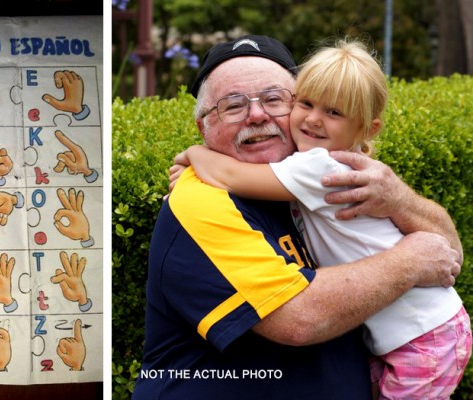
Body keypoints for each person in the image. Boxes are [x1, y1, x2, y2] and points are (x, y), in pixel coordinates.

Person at [132, 35, 462, 399]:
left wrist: (400, 200)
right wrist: (411, 261)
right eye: (233, 105)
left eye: (274, 99)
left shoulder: (320, 176)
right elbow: (299, 319)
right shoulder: (201, 201)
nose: (257, 115)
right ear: (204, 127)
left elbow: (448, 251)